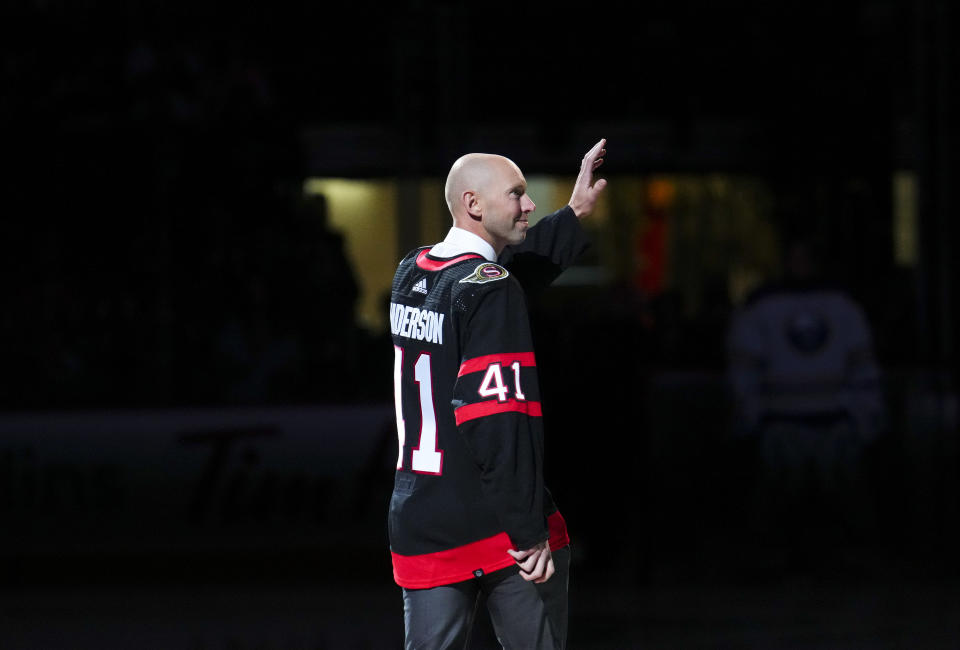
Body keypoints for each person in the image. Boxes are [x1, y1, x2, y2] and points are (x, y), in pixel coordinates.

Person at [388, 139, 608, 649]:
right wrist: (529, 530)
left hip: (422, 521)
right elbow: (497, 416)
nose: (530, 204)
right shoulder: (491, 289)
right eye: (517, 193)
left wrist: (572, 214)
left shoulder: (412, 273)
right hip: (498, 527)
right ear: (474, 204)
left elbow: (496, 276)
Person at [726, 233, 886, 572]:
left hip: (833, 422)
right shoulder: (767, 306)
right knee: (780, 506)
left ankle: (839, 564)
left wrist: (864, 416)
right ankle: (780, 564)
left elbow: (861, 363)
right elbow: (745, 369)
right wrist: (751, 415)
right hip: (782, 423)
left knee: (838, 504)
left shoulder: (840, 305)